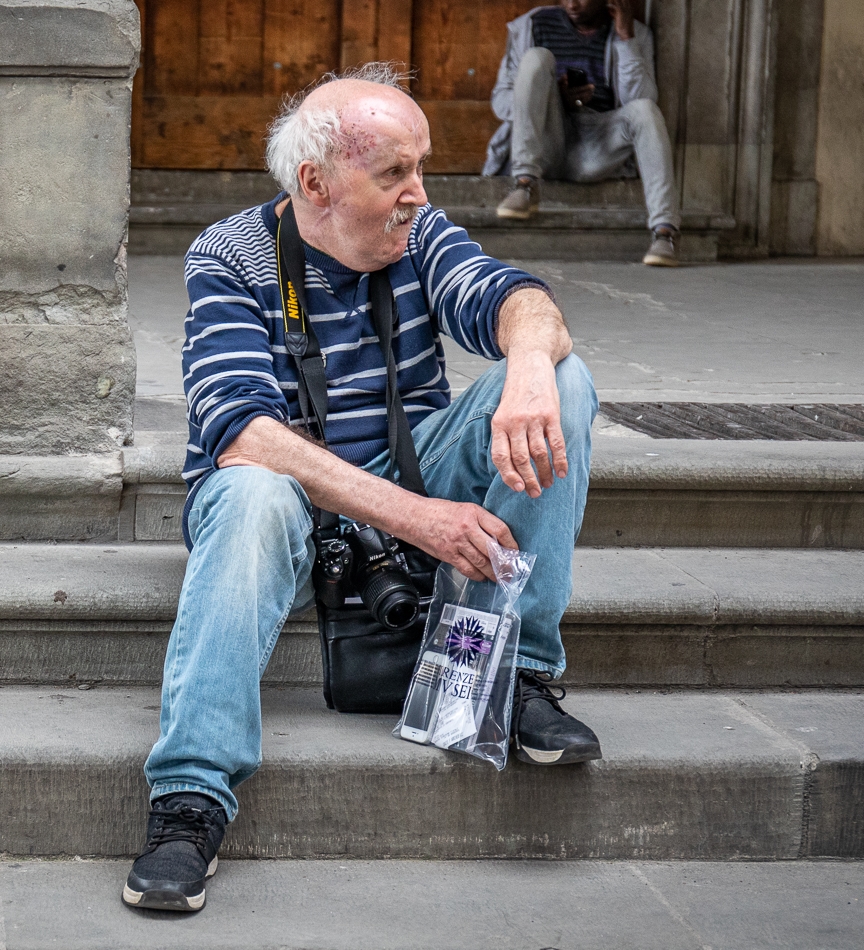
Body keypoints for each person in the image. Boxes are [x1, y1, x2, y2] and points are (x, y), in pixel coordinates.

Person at [122, 64, 601, 913]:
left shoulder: (418, 233)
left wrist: (531, 364)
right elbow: (240, 430)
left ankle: (515, 673)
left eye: (421, 168)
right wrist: (419, 520)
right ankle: (190, 798)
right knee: (251, 490)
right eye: (394, 173)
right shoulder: (230, 255)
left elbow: (516, 297)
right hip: (284, 494)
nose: (420, 193)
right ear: (316, 185)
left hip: (412, 466)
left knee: (566, 379)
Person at [485, 0, 681, 267]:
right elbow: (501, 100)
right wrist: (550, 99)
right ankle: (525, 185)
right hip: (546, 141)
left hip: (596, 146)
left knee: (646, 111)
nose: (571, 4)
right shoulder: (532, 26)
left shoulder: (633, 33)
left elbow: (641, 99)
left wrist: (626, 40)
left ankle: (665, 234)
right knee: (536, 59)